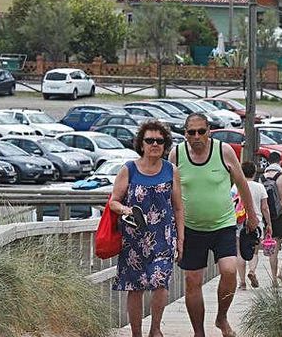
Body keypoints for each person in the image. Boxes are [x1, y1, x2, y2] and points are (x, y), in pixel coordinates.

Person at [168, 113, 257, 337]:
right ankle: (199, 332)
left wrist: (252, 216)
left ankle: (222, 317)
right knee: (192, 281)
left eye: (201, 131)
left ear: (209, 131)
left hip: (223, 224)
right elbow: (167, 191)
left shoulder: (223, 151)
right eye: (191, 132)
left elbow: (242, 185)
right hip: (190, 228)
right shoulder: (176, 155)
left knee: (229, 271)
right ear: (185, 134)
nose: (197, 136)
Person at [109, 120, 184, 337]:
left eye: (159, 141)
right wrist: (125, 210)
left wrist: (180, 239)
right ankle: (136, 333)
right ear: (141, 144)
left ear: (165, 144)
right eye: (149, 140)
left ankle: (155, 329)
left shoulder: (171, 170)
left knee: (160, 282)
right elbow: (114, 201)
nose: (154, 144)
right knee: (135, 287)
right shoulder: (128, 169)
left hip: (164, 236)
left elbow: (178, 208)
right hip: (133, 239)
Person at [233, 162, 272, 290]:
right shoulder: (259, 187)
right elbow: (265, 207)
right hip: (257, 221)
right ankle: (252, 271)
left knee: (239, 252)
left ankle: (242, 282)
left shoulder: (235, 187)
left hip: (239, 221)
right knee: (254, 250)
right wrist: (269, 224)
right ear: (254, 172)